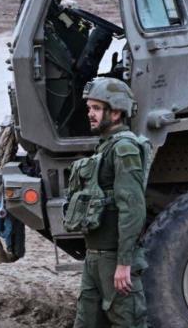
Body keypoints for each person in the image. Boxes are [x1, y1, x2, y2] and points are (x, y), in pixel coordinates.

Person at [68, 78, 151, 328]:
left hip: (114, 260)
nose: (90, 114)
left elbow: (132, 208)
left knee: (129, 322)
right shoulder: (104, 147)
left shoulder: (124, 148)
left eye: (96, 108)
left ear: (115, 113)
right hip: (94, 258)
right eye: (89, 108)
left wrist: (124, 263)